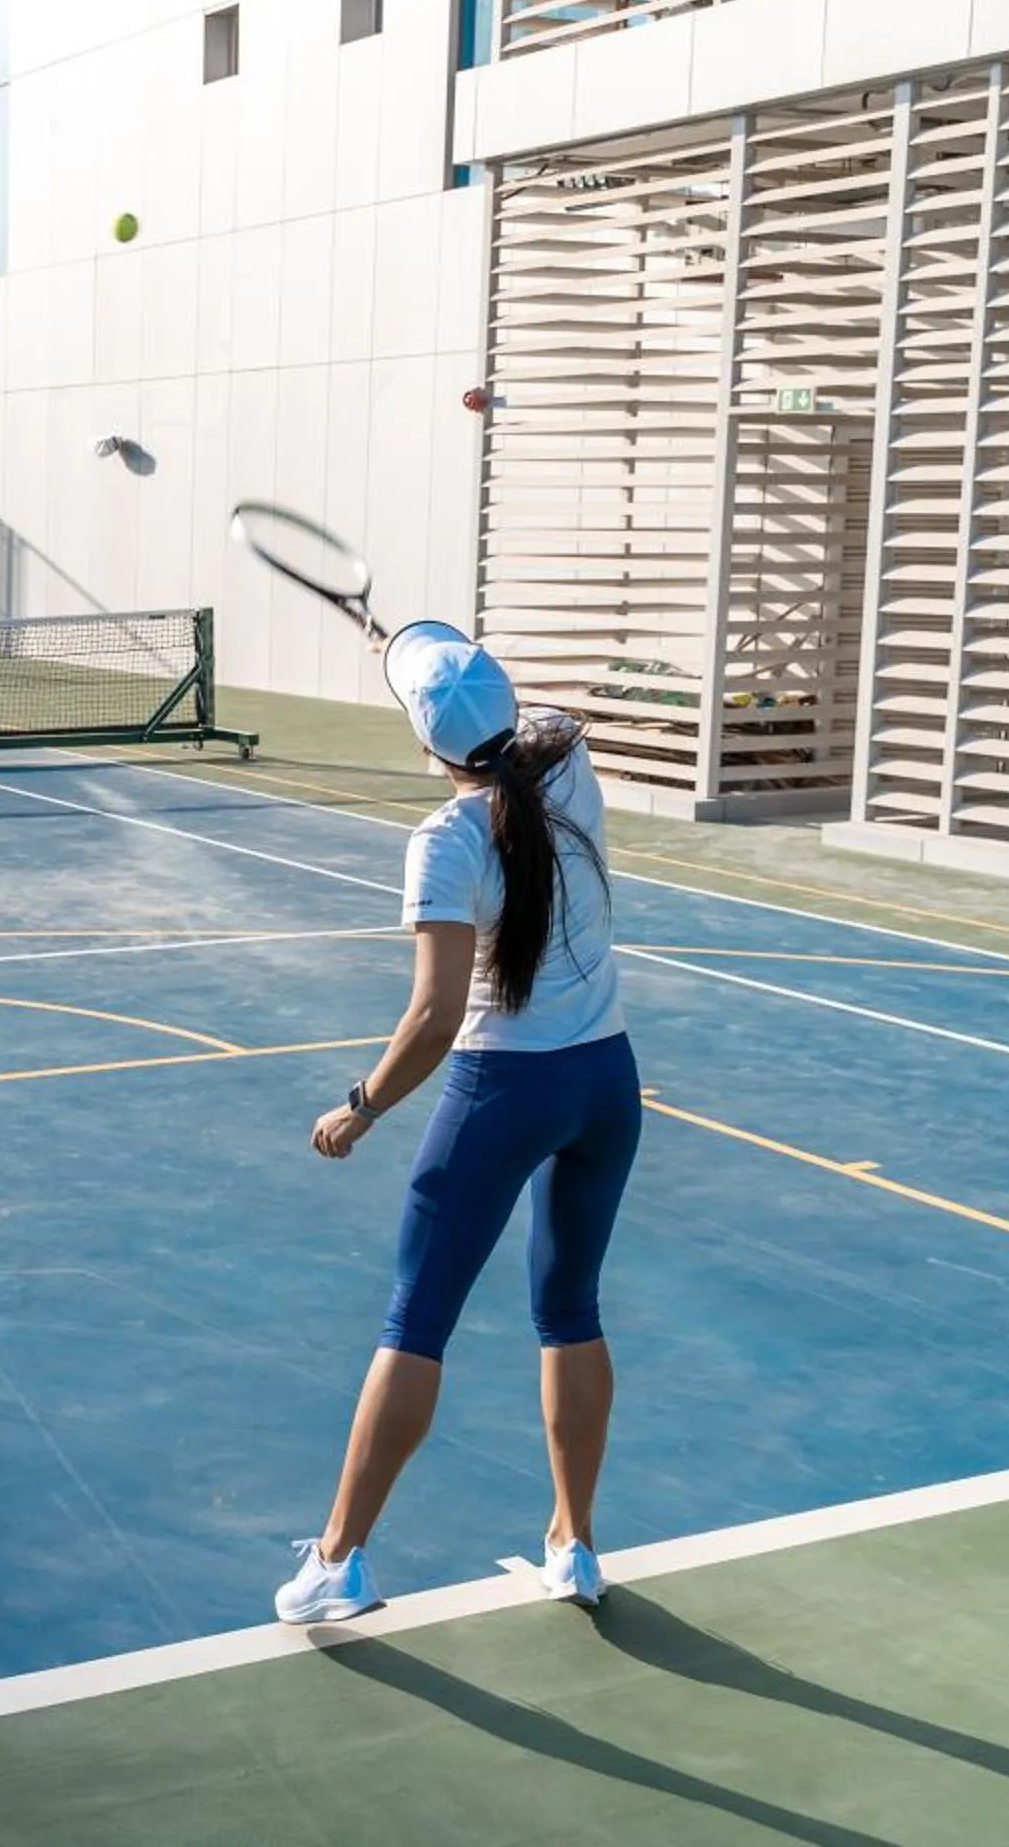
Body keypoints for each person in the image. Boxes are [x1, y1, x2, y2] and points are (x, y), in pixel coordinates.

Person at [274, 621, 638, 1625]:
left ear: (425, 747)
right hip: (606, 1083)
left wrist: (361, 1107)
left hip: (501, 1093)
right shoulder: (567, 756)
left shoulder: (443, 840)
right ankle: (574, 1542)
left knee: (416, 1320)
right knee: (571, 1307)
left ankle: (339, 1559)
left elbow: (434, 1018)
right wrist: (419, 649)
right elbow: (523, 715)